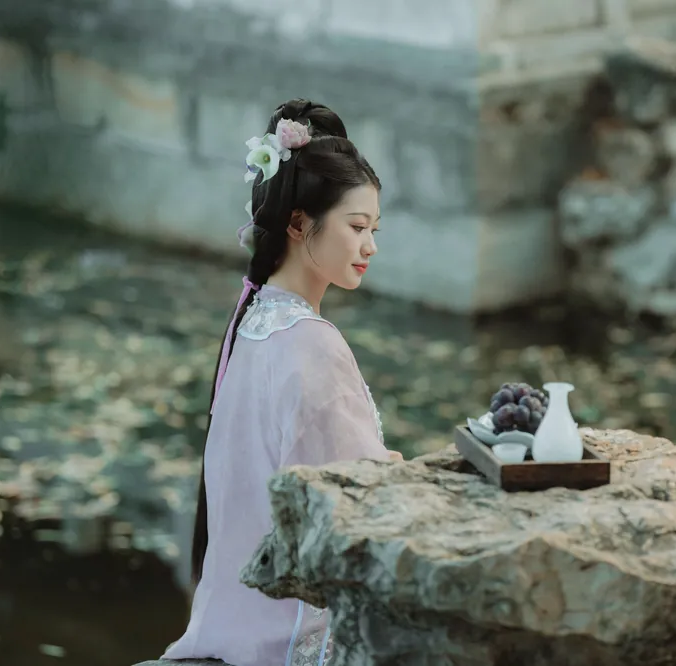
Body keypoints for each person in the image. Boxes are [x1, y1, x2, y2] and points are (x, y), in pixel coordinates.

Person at [161, 99, 401, 666]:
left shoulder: (252, 322)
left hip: (235, 622)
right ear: (297, 224)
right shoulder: (311, 344)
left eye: (374, 229)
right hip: (289, 637)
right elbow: (358, 501)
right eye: (357, 227)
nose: (370, 246)